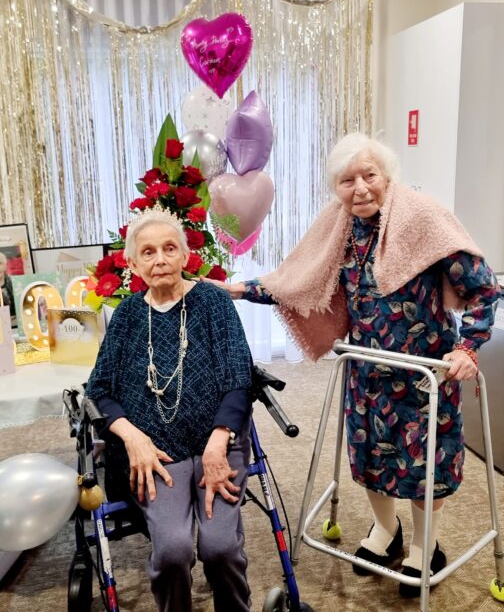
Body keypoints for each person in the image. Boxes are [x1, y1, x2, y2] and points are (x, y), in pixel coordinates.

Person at [207, 133, 500, 598]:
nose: (360, 188)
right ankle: (386, 533)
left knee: (425, 466)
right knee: (370, 458)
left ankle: (426, 546)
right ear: (335, 187)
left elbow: (484, 288)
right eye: (347, 180)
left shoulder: (424, 218)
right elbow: (297, 280)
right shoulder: (337, 225)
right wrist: (239, 290)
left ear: (387, 177)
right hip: (367, 368)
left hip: (426, 374)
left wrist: (468, 347)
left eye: (370, 176)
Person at [85, 208, 253, 612]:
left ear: (183, 255)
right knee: (174, 550)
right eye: (148, 252)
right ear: (133, 263)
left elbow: (238, 379)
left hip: (218, 442)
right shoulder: (126, 316)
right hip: (156, 452)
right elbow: (100, 389)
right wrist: (132, 436)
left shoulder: (213, 301)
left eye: (168, 248)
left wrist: (219, 443)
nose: (159, 259)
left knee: (220, 547)